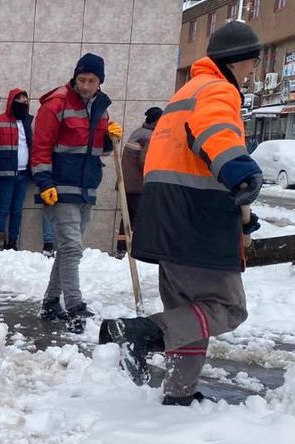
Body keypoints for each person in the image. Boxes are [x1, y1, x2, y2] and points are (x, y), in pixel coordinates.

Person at [99, 21, 265, 406]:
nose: (252, 71)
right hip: (199, 218)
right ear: (239, 60)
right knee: (227, 307)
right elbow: (216, 131)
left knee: (189, 313)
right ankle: (139, 332)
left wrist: (242, 210)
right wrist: (238, 169)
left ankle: (179, 392)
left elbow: (191, 154)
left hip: (167, 216)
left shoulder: (186, 92)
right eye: (253, 62)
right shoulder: (218, 90)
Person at [32, 54, 122, 331]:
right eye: (81, 79)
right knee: (72, 248)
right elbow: (41, 146)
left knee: (66, 251)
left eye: (91, 81)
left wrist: (110, 139)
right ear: (75, 77)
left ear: (100, 82)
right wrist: (44, 182)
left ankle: (50, 302)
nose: (85, 85)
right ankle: (74, 305)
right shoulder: (56, 104)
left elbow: (98, 150)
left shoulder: (101, 108)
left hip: (86, 187)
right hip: (59, 187)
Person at [0, 88, 55, 251]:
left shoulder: (29, 122)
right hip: (5, 172)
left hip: (23, 174)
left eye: (26, 101)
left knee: (17, 210)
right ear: (12, 102)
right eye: (19, 101)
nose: (23, 104)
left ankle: (12, 242)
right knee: (3, 209)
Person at [117, 106, 162, 255]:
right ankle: (136, 250)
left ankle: (122, 248)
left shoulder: (138, 132)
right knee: (140, 217)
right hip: (137, 186)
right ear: (157, 122)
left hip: (126, 184)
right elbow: (145, 161)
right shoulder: (149, 137)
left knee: (127, 216)